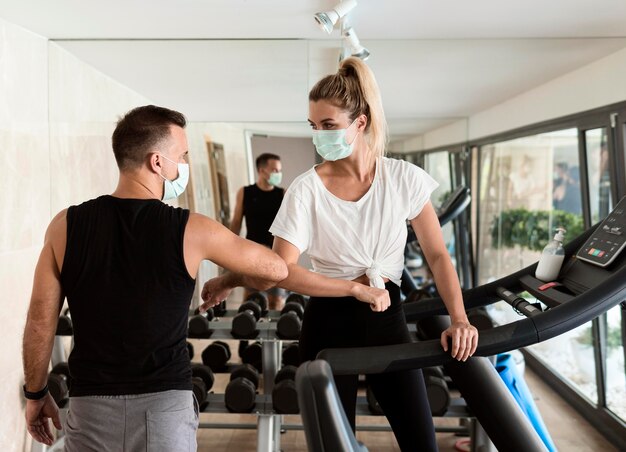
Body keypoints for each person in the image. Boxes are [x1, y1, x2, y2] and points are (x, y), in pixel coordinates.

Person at [202, 58, 478, 451]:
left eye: (328, 126)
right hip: (328, 325)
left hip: (388, 322)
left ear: (360, 122)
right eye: (313, 126)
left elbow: (437, 256)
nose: (319, 136)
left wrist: (461, 319)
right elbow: (283, 271)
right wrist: (353, 289)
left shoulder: (402, 178)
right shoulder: (305, 190)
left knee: (422, 442)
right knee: (333, 445)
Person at [22, 105, 287, 451]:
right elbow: (276, 269)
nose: (184, 165)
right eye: (183, 155)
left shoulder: (64, 227)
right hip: (164, 409)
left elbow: (40, 321)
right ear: (157, 162)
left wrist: (36, 393)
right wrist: (228, 281)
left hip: (90, 407)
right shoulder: (192, 229)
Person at [230, 153, 287, 310]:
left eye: (279, 170)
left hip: (275, 254)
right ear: (262, 170)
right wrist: (229, 249)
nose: (278, 174)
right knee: (250, 300)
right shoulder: (245, 192)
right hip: (251, 253)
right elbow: (236, 222)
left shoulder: (282, 194)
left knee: (276, 300)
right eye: (275, 170)